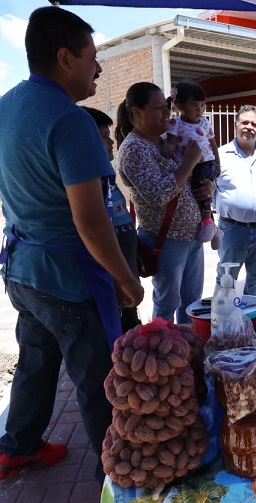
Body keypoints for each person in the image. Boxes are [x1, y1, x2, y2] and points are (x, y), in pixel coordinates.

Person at [0, 6, 143, 481]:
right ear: (65, 58)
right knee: (100, 380)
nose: (98, 68)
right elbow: (91, 221)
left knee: (36, 364)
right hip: (68, 279)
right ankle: (117, 478)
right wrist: (126, 279)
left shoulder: (6, 106)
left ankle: (18, 445)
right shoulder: (70, 120)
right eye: (91, 57)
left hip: (22, 269)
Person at [117, 82, 215, 323]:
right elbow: (158, 194)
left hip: (190, 235)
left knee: (192, 300)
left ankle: (186, 349)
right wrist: (190, 162)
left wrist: (208, 185)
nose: (167, 114)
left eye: (167, 107)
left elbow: (189, 180)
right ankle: (163, 349)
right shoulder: (134, 148)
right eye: (159, 108)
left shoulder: (163, 140)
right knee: (167, 301)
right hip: (166, 239)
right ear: (137, 113)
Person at [82, 106, 142, 332]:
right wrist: (118, 281)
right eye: (104, 137)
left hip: (124, 280)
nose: (111, 142)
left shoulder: (105, 176)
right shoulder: (89, 184)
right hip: (111, 285)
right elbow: (96, 236)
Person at [214, 105, 256, 297]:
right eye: (245, 122)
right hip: (232, 230)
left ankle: (252, 321)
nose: (249, 127)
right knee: (227, 278)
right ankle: (223, 322)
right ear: (236, 125)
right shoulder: (221, 155)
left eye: (254, 124)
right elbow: (211, 189)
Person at [162, 81, 223, 249]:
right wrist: (167, 147)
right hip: (186, 165)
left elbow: (213, 144)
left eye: (202, 105)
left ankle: (207, 222)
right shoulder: (176, 124)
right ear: (179, 105)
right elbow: (172, 143)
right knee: (192, 195)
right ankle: (214, 228)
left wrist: (217, 163)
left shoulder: (205, 123)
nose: (199, 109)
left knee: (201, 189)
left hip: (205, 163)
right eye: (194, 105)